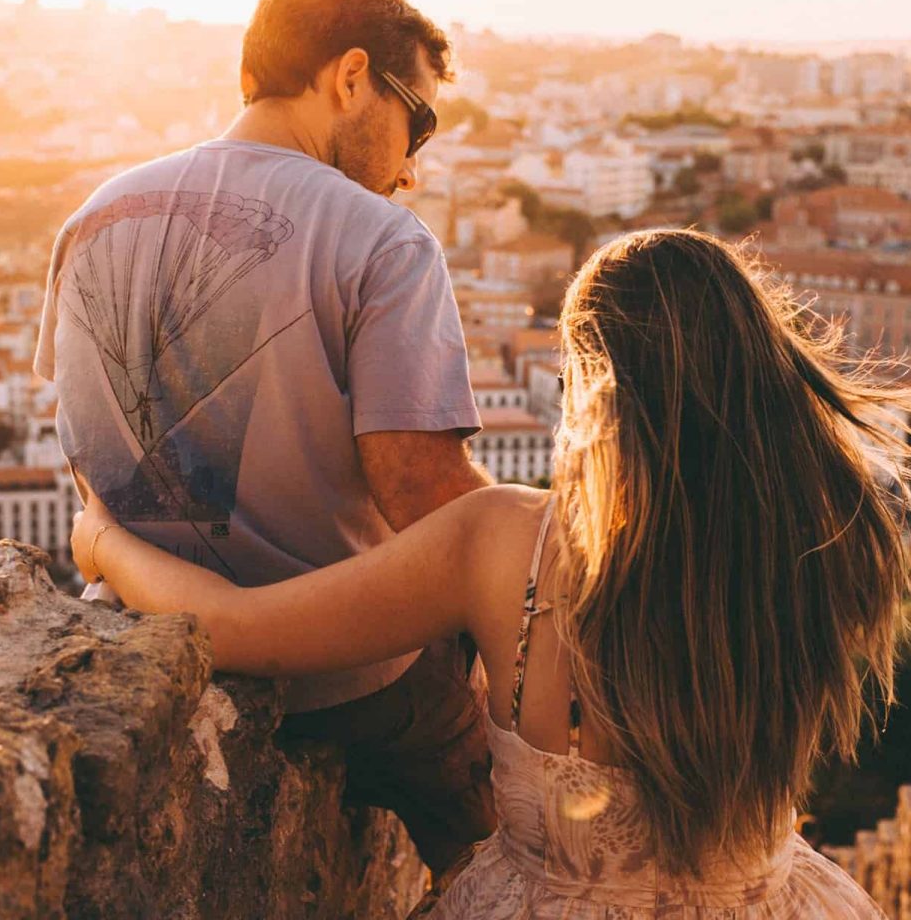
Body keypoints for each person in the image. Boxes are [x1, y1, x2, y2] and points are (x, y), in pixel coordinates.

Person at [72, 230, 908, 918]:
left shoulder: (506, 542)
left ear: (595, 385)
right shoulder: (841, 536)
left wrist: (104, 542)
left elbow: (234, 630)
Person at [35, 0, 495, 873]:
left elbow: (86, 451)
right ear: (350, 77)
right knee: (506, 835)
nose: (410, 166)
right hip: (349, 683)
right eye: (421, 123)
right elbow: (424, 498)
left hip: (138, 636)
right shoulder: (382, 239)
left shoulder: (90, 216)